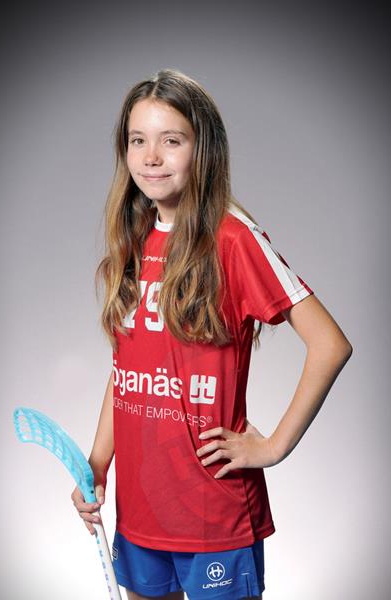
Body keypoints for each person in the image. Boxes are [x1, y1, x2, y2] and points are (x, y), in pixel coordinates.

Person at [71, 69, 353, 600]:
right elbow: (127, 370)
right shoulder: (132, 240)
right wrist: (97, 464)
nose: (151, 157)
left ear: (204, 149)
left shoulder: (233, 238)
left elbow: (330, 344)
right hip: (141, 510)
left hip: (213, 513)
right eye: (137, 140)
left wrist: (274, 446)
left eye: (171, 141)